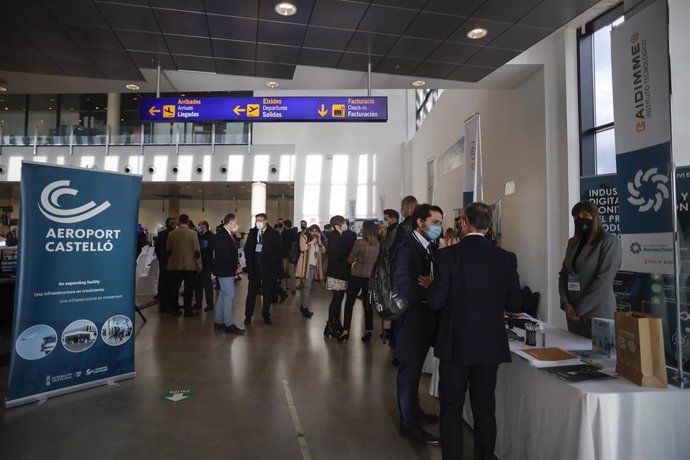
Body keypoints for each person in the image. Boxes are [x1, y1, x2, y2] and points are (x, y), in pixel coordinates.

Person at [428, 202, 521, 460]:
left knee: (451, 407)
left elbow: (436, 301)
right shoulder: (506, 258)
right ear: (489, 227)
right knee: (484, 408)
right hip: (488, 345)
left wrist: (431, 287)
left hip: (454, 343)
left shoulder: (447, 256)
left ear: (463, 223)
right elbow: (515, 304)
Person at [391, 203, 443, 445]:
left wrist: (431, 285)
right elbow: (403, 287)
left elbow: (430, 279)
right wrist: (428, 291)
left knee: (415, 367)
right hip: (411, 318)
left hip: (424, 317)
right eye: (435, 223)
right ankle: (409, 423)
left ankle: (415, 411)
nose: (438, 228)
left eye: (440, 223)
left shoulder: (428, 246)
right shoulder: (406, 249)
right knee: (409, 370)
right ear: (420, 223)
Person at [559, 200, 622, 338]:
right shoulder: (572, 243)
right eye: (576, 217)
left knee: (601, 359)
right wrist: (565, 303)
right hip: (573, 315)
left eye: (585, 215)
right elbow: (564, 274)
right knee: (575, 356)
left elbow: (603, 281)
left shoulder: (609, 242)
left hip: (598, 313)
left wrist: (579, 310)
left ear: (595, 217)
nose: (580, 219)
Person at [342, 221, 380, 343]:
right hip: (370, 277)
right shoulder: (378, 244)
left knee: (349, 303)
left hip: (356, 275)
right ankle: (368, 331)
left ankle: (346, 330)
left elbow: (349, 259)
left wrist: (355, 259)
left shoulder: (359, 243)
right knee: (367, 304)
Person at [244, 213, 282, 325]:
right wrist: (249, 265)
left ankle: (266, 315)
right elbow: (248, 250)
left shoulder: (274, 234)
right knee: (251, 293)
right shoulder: (252, 232)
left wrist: (272, 261)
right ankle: (248, 316)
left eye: (260, 220)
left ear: (266, 221)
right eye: (257, 220)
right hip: (254, 269)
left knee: (267, 293)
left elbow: (279, 251)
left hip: (268, 269)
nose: (258, 222)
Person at [212, 213, 244, 334]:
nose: (237, 224)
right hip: (225, 270)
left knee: (223, 295)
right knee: (229, 296)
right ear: (230, 222)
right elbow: (226, 255)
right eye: (236, 222)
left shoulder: (226, 234)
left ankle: (219, 321)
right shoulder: (223, 235)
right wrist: (235, 267)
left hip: (224, 269)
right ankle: (228, 324)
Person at [166, 214, 202, 317]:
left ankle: (175, 309)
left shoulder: (172, 234)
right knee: (188, 289)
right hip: (189, 266)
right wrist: (199, 264)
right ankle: (187, 310)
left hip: (175, 265)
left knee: (174, 288)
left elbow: (168, 250)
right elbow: (196, 251)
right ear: (187, 221)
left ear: (179, 222)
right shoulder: (193, 233)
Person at [324, 215, 351, 338]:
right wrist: (350, 256)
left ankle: (336, 323)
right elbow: (339, 255)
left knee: (338, 300)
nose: (345, 224)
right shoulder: (335, 238)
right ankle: (330, 324)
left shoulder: (339, 236)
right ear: (337, 225)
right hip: (337, 273)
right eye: (343, 222)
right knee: (336, 299)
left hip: (339, 273)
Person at [295, 224, 325, 319]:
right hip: (305, 266)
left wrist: (319, 241)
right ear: (309, 231)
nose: (314, 232)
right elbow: (302, 248)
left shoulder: (318, 240)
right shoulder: (304, 237)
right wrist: (312, 242)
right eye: (312, 231)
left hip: (313, 266)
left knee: (308, 287)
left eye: (316, 231)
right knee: (307, 287)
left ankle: (304, 306)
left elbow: (323, 251)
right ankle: (304, 308)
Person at [155, 217, 176, 313]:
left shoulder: (161, 234)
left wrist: (161, 259)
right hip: (170, 263)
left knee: (164, 283)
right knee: (169, 285)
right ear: (171, 224)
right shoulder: (172, 234)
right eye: (175, 224)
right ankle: (166, 306)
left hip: (163, 262)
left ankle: (165, 305)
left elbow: (157, 248)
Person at [194, 220, 215, 312]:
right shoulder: (198, 235)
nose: (199, 226)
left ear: (205, 225)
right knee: (198, 283)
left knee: (207, 283)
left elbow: (209, 249)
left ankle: (210, 303)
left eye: (200, 225)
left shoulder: (211, 236)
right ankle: (198, 303)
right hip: (198, 262)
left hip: (207, 262)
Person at [281, 219, 299, 295]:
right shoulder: (294, 233)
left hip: (284, 255)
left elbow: (280, 244)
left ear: (285, 225)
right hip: (292, 256)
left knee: (283, 272)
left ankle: (284, 288)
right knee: (292, 273)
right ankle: (293, 288)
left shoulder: (284, 233)